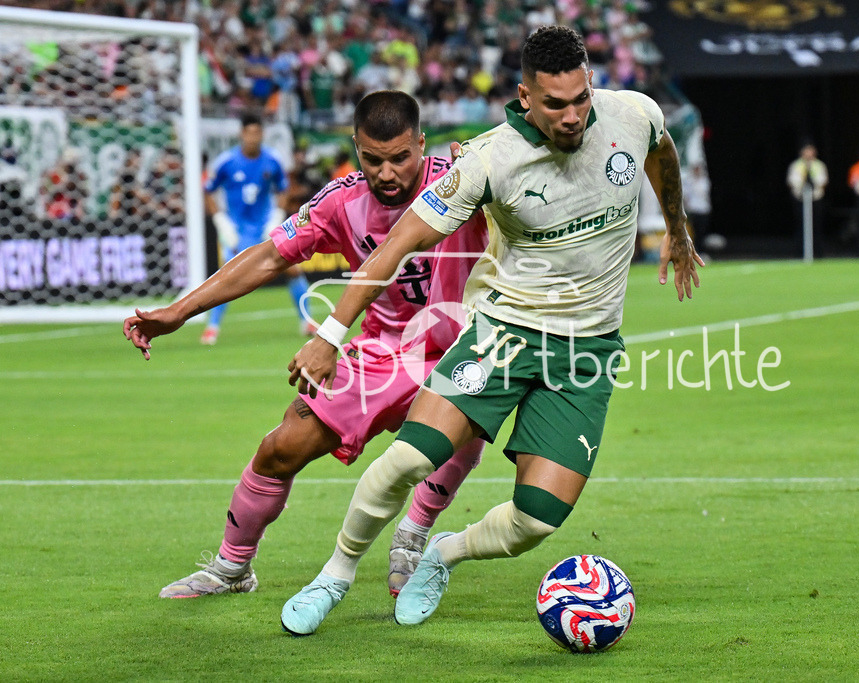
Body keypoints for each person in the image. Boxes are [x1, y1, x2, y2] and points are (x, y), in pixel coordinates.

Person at [278, 25, 703, 636]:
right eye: (555, 103)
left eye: (580, 98)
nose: (571, 116)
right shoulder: (485, 160)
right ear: (525, 95)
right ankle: (336, 575)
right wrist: (330, 335)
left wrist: (678, 229)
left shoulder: (633, 114)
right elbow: (396, 246)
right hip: (504, 333)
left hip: (587, 351)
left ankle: (441, 555)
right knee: (405, 460)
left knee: (537, 521)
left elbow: (660, 151)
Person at [123, 90, 489, 598]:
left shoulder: (465, 176)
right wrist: (178, 312)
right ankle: (233, 568)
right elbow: (269, 258)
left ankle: (413, 533)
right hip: (381, 351)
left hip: (459, 351)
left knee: (465, 426)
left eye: (401, 158)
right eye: (373, 159)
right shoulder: (341, 202)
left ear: (422, 145)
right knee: (280, 448)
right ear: (356, 150)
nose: (387, 173)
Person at [201, 111, 310, 345]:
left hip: (264, 227)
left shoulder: (272, 160)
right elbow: (208, 191)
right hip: (237, 230)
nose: (253, 137)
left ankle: (307, 320)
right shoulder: (227, 162)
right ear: (242, 134)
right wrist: (221, 221)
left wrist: (277, 216)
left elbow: (284, 188)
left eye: (257, 132)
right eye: (249, 133)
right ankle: (212, 327)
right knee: (227, 275)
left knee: (291, 268)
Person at [787, 142, 828, 257]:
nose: (808, 153)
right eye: (806, 151)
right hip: (800, 199)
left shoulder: (819, 165)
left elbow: (823, 181)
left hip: (815, 199)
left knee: (817, 227)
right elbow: (792, 181)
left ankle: (818, 253)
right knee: (800, 226)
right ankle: (799, 252)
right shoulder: (796, 165)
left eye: (811, 150)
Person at [681, 162, 711, 253]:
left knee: (701, 232)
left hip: (703, 210)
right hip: (694, 210)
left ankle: (701, 251)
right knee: (693, 232)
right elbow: (685, 196)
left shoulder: (704, 181)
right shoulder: (689, 181)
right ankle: (693, 251)